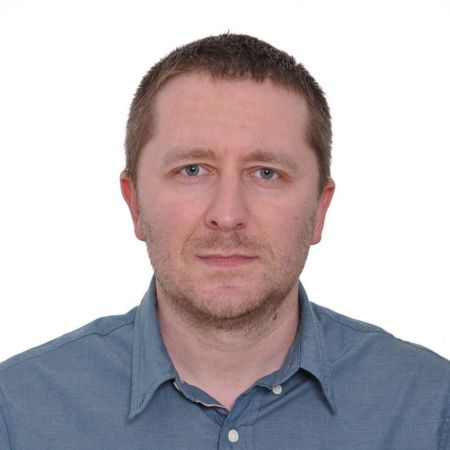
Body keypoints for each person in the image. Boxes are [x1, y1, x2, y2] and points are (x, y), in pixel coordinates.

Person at [0, 33, 449, 450]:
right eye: (192, 170)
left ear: (319, 209)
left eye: (266, 173)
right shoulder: (15, 413)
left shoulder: (431, 408)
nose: (228, 215)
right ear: (135, 203)